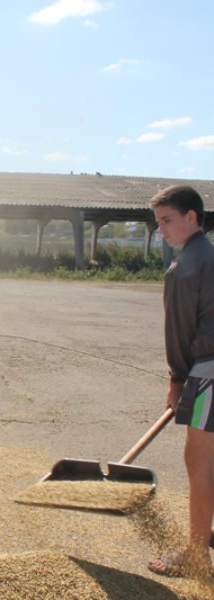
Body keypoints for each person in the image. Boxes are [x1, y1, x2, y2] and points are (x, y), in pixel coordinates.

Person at [147, 185, 214, 578]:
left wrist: (176, 381)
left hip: (208, 374)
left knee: (199, 459)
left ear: (192, 217)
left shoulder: (184, 268)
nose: (162, 231)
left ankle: (195, 554)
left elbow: (179, 331)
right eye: (158, 224)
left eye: (167, 220)